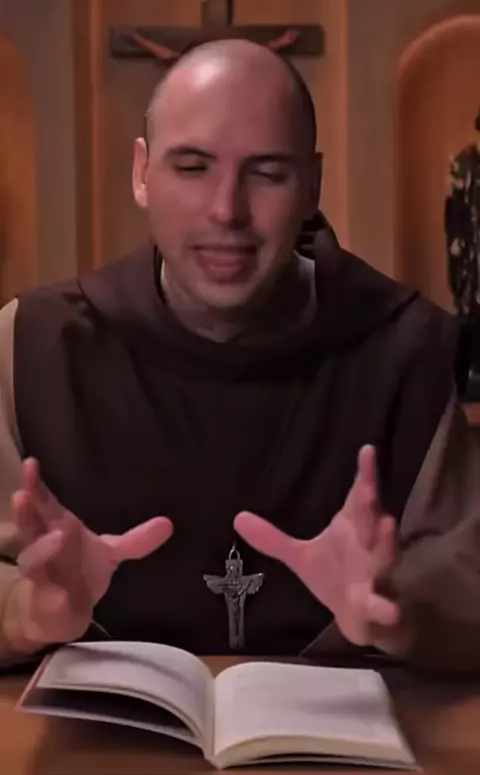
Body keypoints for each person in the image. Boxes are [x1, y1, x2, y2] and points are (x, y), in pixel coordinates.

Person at [0, 39, 479, 672]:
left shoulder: (403, 349)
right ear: (142, 173)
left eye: (267, 172)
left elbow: (467, 590)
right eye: (192, 167)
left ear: (312, 185)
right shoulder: (31, 345)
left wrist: (406, 614)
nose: (227, 210)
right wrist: (24, 613)